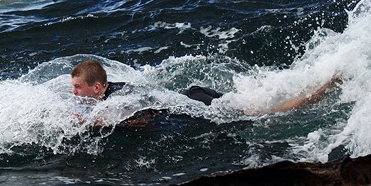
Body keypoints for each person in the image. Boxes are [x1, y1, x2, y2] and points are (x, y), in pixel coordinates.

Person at [70, 59, 340, 119]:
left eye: (78, 88)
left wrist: (93, 124)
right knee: (255, 106)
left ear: (97, 87)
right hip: (193, 94)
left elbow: (138, 117)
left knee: (264, 114)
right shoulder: (112, 92)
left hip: (197, 102)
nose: (74, 93)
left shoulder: (118, 96)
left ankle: (317, 94)